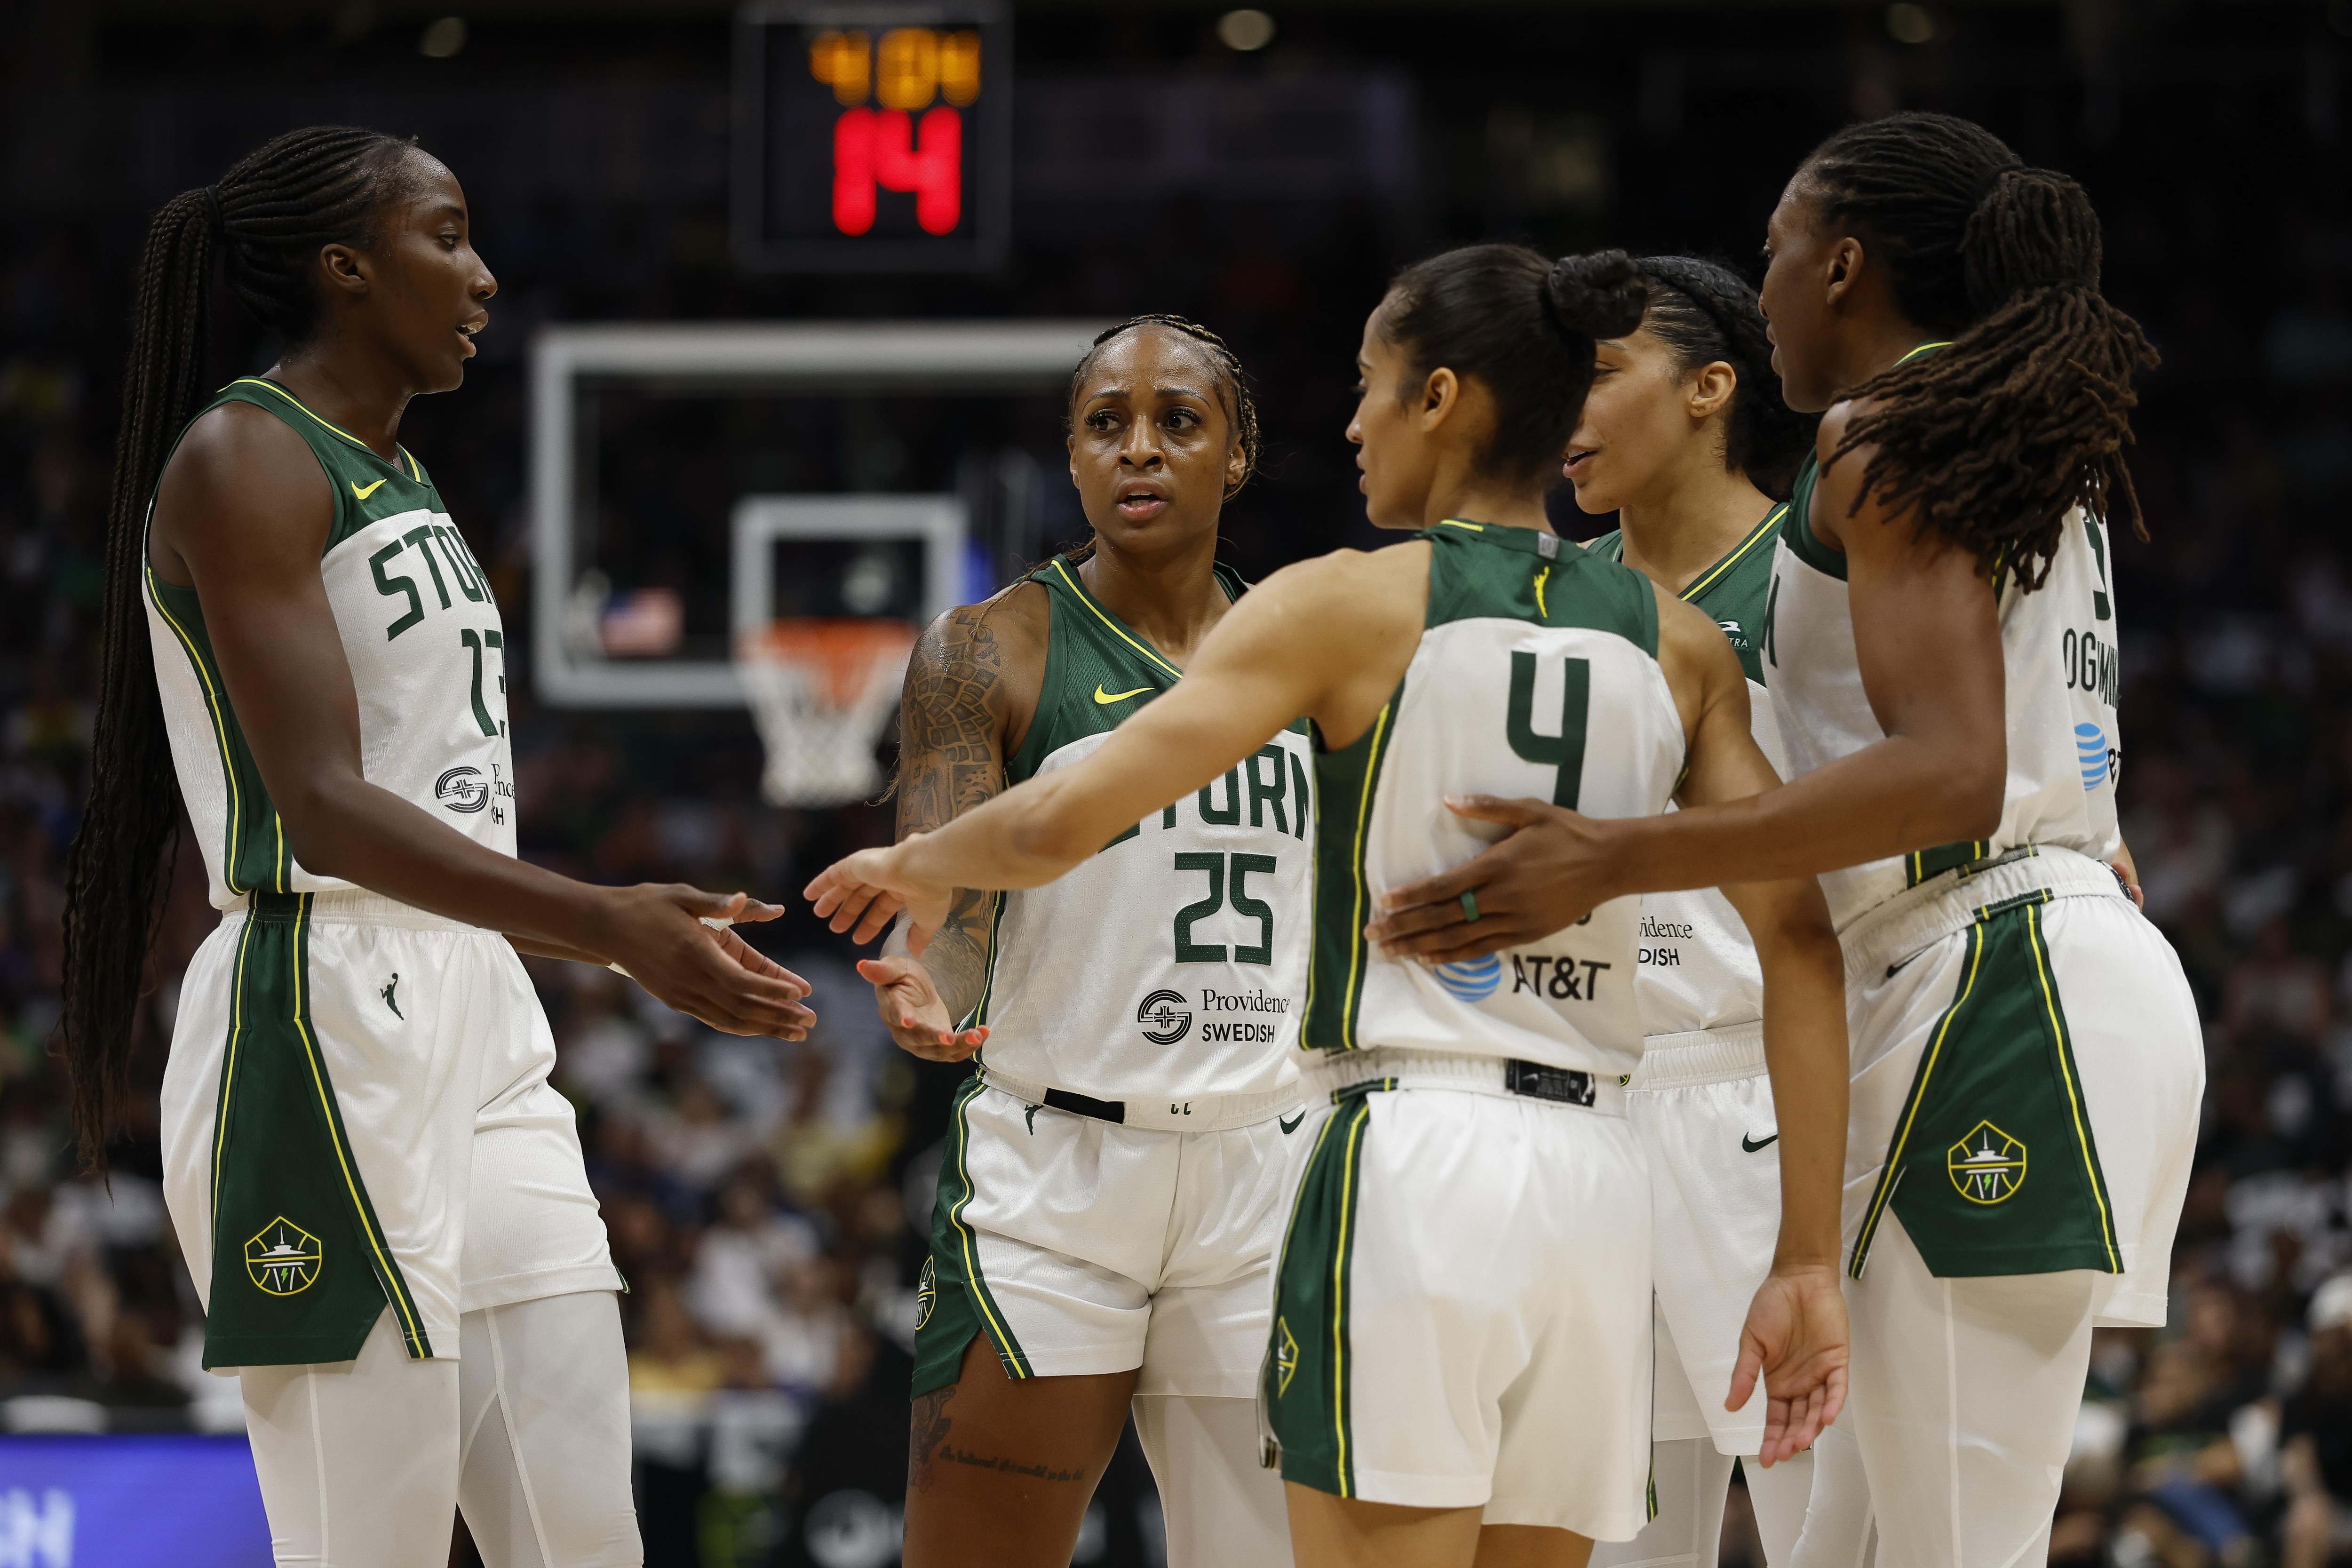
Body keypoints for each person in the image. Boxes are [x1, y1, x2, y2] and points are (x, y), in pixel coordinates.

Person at [808, 243, 1852, 1568]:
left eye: (1371, 387)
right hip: (1599, 1180)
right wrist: (1808, 1258)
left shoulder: (1342, 609)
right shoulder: (1678, 640)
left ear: (1444, 400)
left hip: (1403, 1156)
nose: (1350, 421)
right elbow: (1801, 939)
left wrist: (921, 863)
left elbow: (1064, 817)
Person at [1361, 113, 2206, 1568]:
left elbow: (1947, 772)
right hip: (2005, 957)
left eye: (1777, 252)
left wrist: (1618, 855)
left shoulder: (1887, 427)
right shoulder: (1996, 418)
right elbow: (2006, 744)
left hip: (1991, 981)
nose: (1765, 289)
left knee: (1953, 1553)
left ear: (1847, 266)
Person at [57, 127, 814, 1568]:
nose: (481, 274)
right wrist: (605, 924)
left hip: (476, 1008)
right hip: (320, 1010)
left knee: (586, 1539)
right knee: (370, 1549)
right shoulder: (244, 457)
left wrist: (577, 933)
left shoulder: (397, 473)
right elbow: (326, 805)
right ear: (347, 268)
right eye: (446, 236)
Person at [862, 315, 1302, 1568]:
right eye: (1106, 423)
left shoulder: (1312, 645)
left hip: (1264, 1170)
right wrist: (928, 987)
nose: (1140, 450)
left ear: (1239, 452)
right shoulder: (984, 650)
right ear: (1070, 457)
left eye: (1178, 421)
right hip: (1057, 1177)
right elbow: (947, 901)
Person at [1549, 251, 1826, 1568]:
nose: (1568, 411)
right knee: (1604, 1541)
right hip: (1586, 1107)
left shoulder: (1818, 575)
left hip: (1765, 1088)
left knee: (1827, 1524)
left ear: (1713, 388)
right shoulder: (1541, 602)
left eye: (1600, 374)